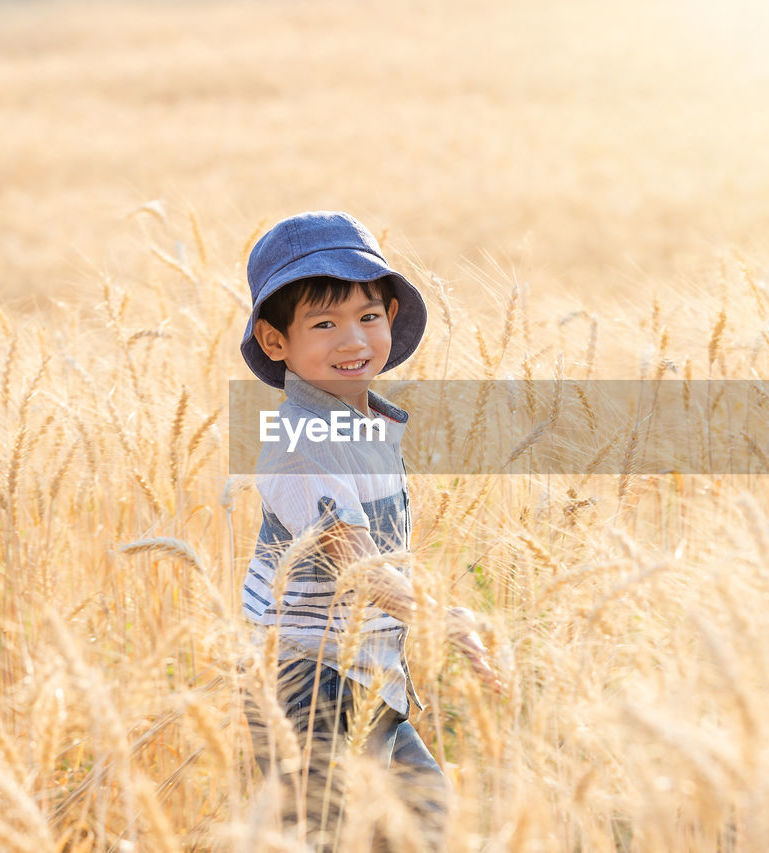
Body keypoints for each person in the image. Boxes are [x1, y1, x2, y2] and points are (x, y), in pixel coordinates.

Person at [238, 210, 498, 851]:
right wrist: (440, 618)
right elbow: (356, 564)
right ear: (277, 343)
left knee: (430, 827)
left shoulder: (370, 423)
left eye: (368, 317)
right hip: (307, 684)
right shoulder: (303, 443)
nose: (352, 340)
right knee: (326, 838)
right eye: (324, 324)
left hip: (367, 673)